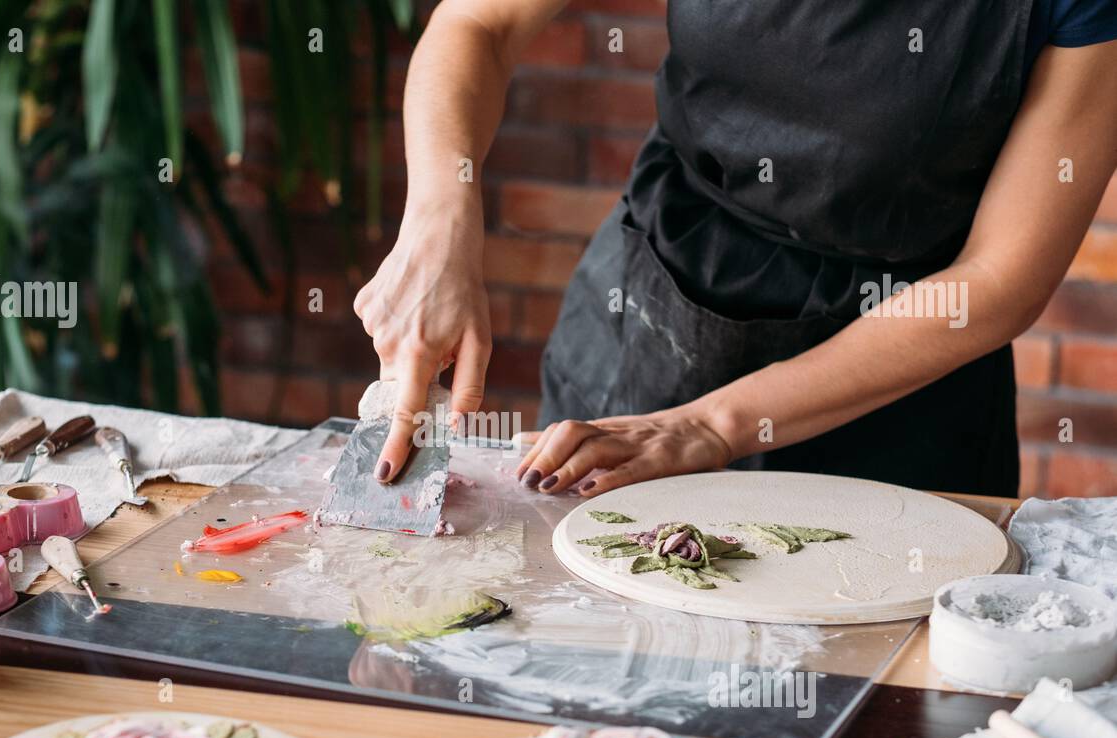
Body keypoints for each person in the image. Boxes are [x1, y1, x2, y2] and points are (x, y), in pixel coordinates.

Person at [354, 0, 1117, 496]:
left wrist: (714, 426)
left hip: (899, 386)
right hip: (654, 315)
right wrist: (439, 217)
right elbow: (478, 25)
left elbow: (1002, 278)